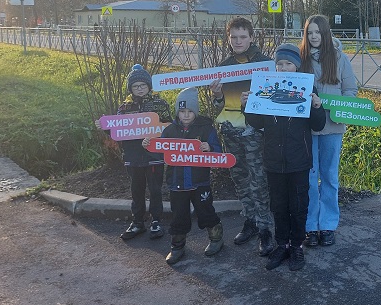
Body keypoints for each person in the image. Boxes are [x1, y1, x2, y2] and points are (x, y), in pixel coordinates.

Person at [243, 44, 326, 271]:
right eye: (279, 64)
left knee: (299, 206)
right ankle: (283, 245)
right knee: (278, 206)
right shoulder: (267, 88)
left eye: (288, 63)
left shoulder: (309, 89)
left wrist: (317, 106)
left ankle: (297, 246)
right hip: (273, 160)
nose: (283, 68)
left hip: (298, 161)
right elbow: (257, 122)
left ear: (297, 66)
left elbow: (318, 125)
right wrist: (248, 105)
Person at [209, 17, 275, 257]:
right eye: (233, 37)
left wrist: (256, 101)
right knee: (240, 179)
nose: (238, 41)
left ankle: (265, 229)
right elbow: (220, 107)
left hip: (256, 132)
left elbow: (274, 101)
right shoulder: (224, 66)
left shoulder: (266, 65)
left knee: (259, 181)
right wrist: (217, 96)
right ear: (228, 39)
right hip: (231, 132)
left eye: (242, 37)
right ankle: (250, 221)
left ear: (251, 37)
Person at [144, 87, 224, 266]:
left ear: (195, 111)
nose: (186, 115)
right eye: (182, 111)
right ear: (177, 112)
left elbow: (218, 152)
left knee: (206, 211)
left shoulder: (206, 128)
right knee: (178, 215)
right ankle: (177, 246)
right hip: (177, 183)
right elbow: (159, 154)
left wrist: (209, 148)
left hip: (200, 182)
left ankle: (216, 238)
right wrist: (149, 145)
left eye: (190, 111)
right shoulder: (169, 131)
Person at [299, 15, 357, 247]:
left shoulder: (339, 59)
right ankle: (311, 226)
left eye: (317, 32)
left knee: (330, 178)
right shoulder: (300, 59)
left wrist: (334, 106)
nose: (313, 37)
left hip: (333, 128)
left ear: (326, 34)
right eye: (309, 33)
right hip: (307, 130)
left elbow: (350, 90)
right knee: (310, 179)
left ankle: (328, 225)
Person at [110, 64, 173, 241]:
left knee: (155, 189)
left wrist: (155, 139)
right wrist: (105, 128)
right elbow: (117, 130)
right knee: (136, 189)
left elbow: (168, 127)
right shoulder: (124, 107)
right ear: (131, 88)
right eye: (135, 86)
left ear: (149, 86)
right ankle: (137, 221)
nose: (139, 89)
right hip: (132, 156)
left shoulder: (160, 104)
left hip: (154, 155)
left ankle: (156, 221)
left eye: (143, 85)